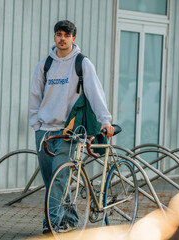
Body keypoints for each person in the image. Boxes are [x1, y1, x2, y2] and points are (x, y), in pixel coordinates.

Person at [28, 20, 114, 234]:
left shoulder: (82, 63)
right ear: (55, 37)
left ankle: (52, 223)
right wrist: (36, 123)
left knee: (59, 177)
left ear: (73, 38)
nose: (62, 38)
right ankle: (71, 218)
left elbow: (95, 92)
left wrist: (105, 119)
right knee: (52, 180)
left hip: (70, 131)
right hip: (45, 130)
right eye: (59, 34)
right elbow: (35, 95)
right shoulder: (45, 64)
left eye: (67, 35)